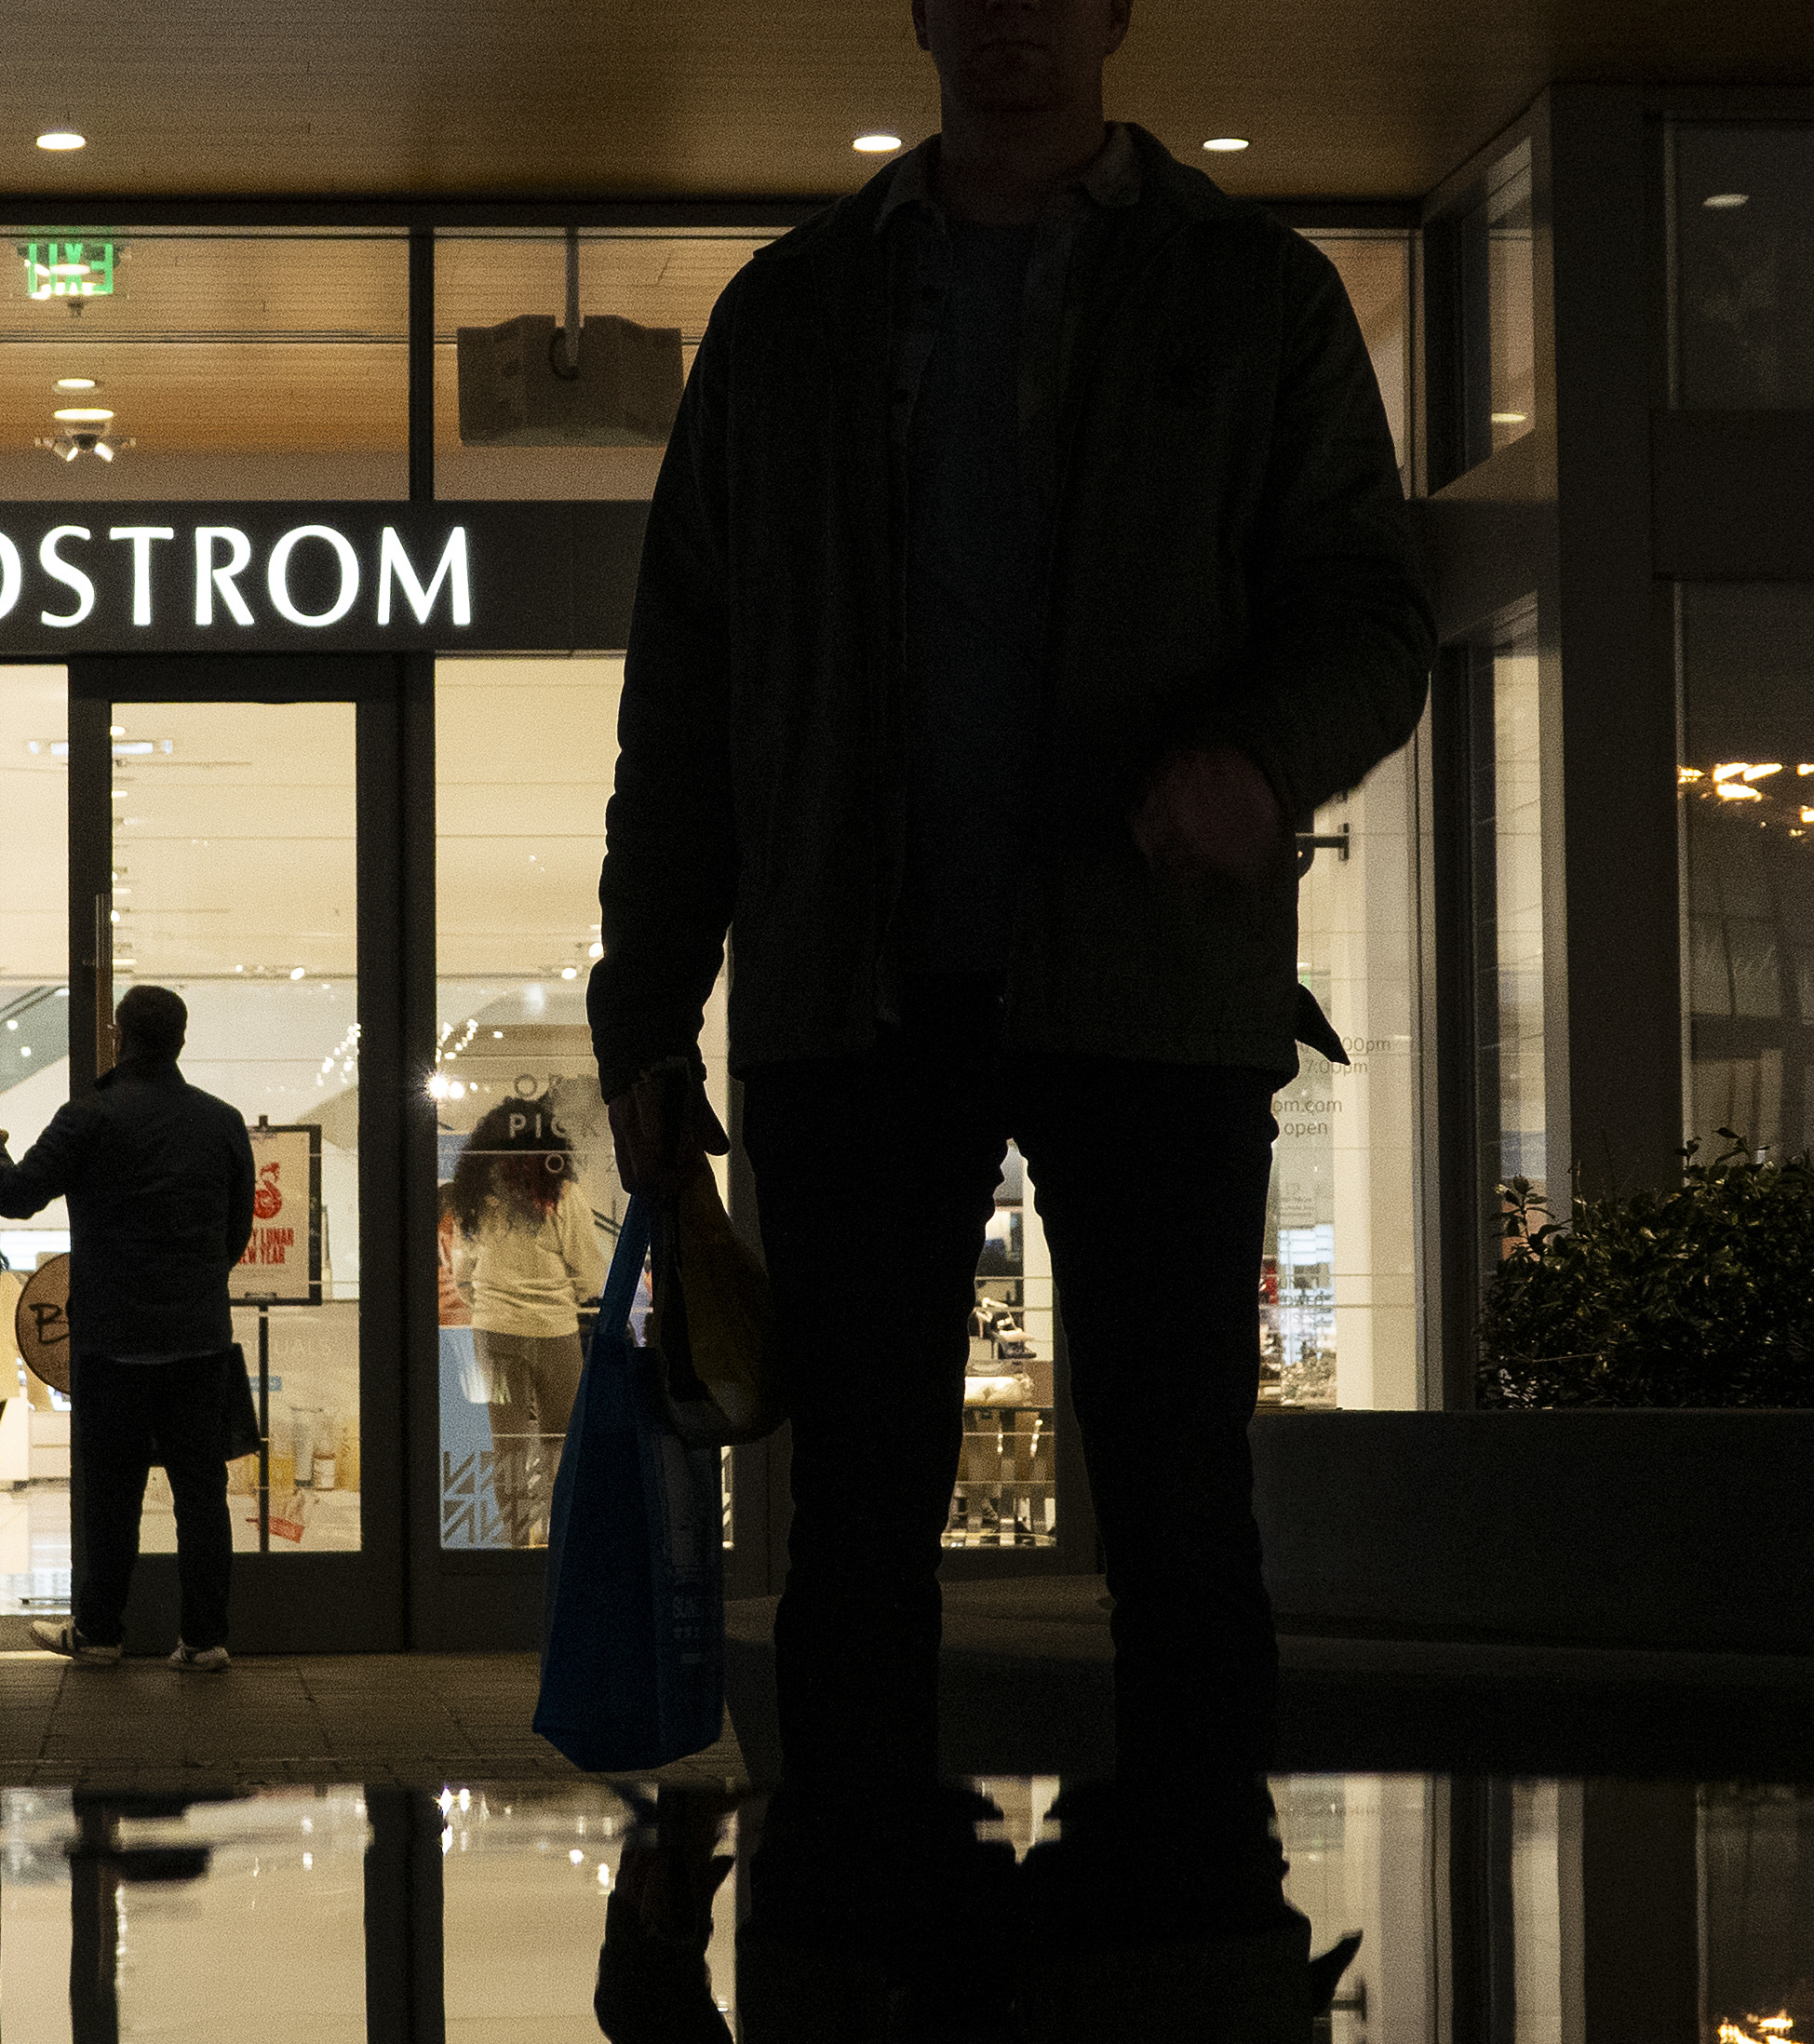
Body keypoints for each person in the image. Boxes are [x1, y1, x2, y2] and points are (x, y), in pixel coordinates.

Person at [590, 0, 1427, 1983]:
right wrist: (646, 1012)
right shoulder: (793, 315)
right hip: (856, 992)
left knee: (1171, 1496)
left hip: (1142, 976)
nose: (1014, 27)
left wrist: (1252, 756)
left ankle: (1190, 1945)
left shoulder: (1246, 294)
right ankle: (870, 1952)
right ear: (922, 13)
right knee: (858, 1517)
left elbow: (1369, 613)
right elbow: (685, 687)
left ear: (1117, 15)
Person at [0, 985, 255, 1670]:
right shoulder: (221, 1121)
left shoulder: (88, 1115)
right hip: (199, 1338)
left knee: (110, 1497)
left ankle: (100, 1635)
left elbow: (17, 1196)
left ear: (119, 1036)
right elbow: (234, 1233)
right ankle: (204, 1640)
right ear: (181, 1039)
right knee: (201, 1497)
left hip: (112, 1343)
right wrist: (195, 1284)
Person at [447, 1096, 609, 1549]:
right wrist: (567, 1297)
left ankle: (518, 1544)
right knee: (563, 1444)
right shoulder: (564, 1194)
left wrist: (492, 1304)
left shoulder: (475, 1195)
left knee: (510, 1447)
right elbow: (590, 1273)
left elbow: (463, 1276)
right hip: (555, 1331)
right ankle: (562, 1544)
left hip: (494, 1332)